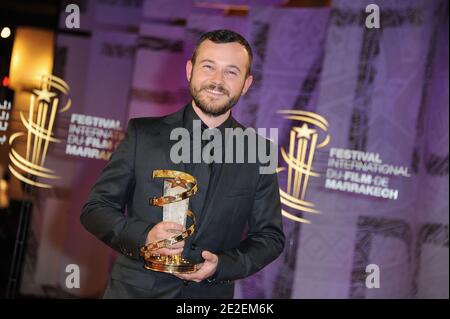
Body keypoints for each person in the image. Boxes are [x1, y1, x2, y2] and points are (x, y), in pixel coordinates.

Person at [81, 29, 285, 299]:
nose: (217, 80)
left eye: (231, 72)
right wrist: (144, 236)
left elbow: (270, 237)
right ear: (190, 70)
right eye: (208, 67)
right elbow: (96, 209)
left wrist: (221, 266)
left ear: (246, 84)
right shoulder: (143, 134)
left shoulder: (259, 153)